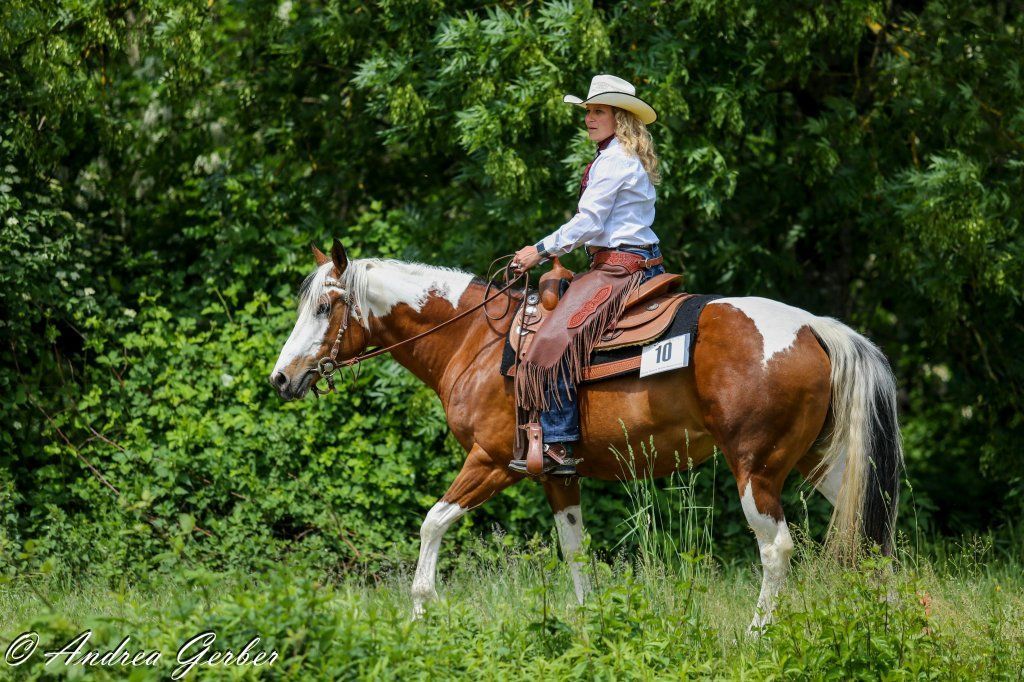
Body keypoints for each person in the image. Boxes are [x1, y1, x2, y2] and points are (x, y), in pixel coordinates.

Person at [508, 74, 665, 477]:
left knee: (554, 338)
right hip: (627, 260)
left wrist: (539, 251)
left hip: (619, 266)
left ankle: (558, 442)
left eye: (598, 111)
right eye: (588, 112)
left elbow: (589, 222)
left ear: (620, 117)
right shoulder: (618, 156)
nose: (589, 118)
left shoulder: (614, 160)